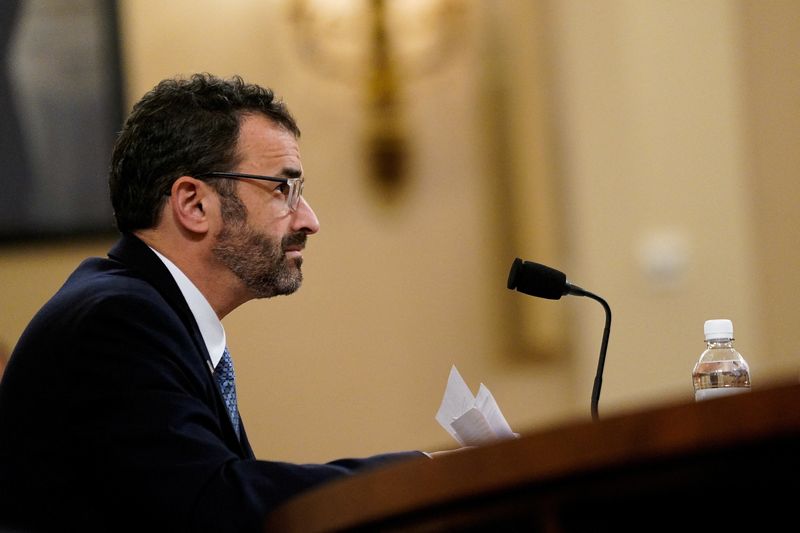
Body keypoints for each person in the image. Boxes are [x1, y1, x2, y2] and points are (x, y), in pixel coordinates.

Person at [0, 73, 428, 532]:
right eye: (283, 189)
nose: (310, 219)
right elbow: (214, 506)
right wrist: (422, 477)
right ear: (193, 204)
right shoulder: (116, 321)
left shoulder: (145, 309)